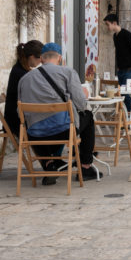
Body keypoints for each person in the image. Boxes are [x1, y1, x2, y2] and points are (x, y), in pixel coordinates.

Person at [17, 43, 100, 183]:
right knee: (88, 117)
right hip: (64, 131)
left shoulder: (24, 79)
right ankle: (85, 166)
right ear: (60, 58)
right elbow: (81, 104)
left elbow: (20, 111)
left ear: (42, 59)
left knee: (37, 123)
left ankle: (49, 165)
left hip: (34, 135)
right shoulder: (67, 72)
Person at [4, 40, 43, 138]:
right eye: (40, 58)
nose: (41, 61)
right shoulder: (21, 73)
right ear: (32, 57)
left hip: (20, 117)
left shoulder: (21, 69)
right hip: (17, 122)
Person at [103, 13, 131, 111]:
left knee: (127, 95)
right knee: (126, 96)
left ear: (114, 23)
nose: (107, 27)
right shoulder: (115, 37)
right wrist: (119, 67)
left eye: (108, 24)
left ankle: (129, 119)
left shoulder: (127, 35)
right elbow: (119, 53)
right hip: (122, 71)